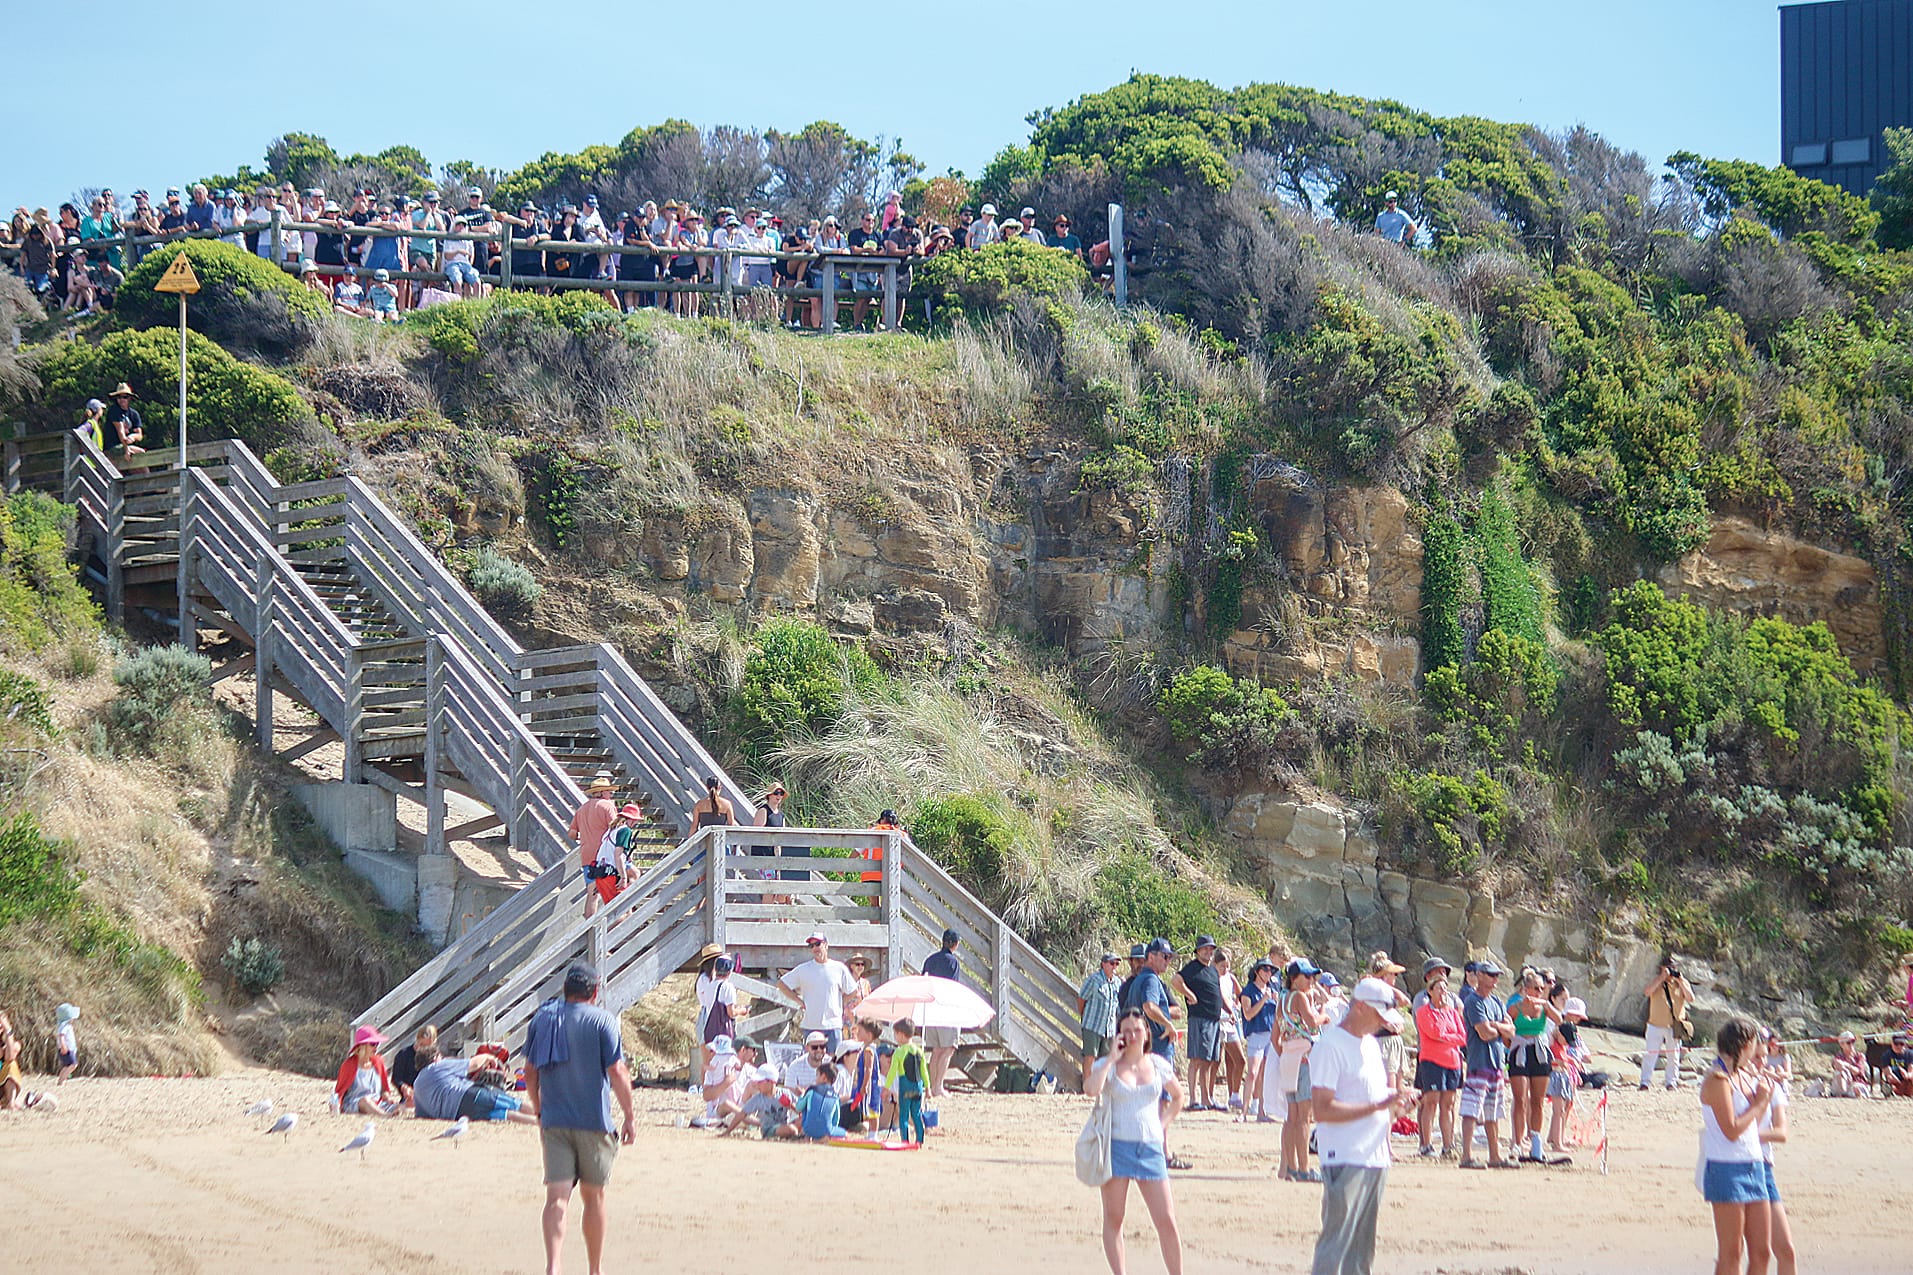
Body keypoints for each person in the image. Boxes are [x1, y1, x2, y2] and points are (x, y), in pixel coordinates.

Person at [525, 962, 637, 1275]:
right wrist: (629, 1116)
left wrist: (538, 1108)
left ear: (565, 989)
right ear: (595, 991)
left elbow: (530, 1072)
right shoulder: (602, 1020)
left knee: (556, 1198)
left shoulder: (543, 1019)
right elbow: (617, 1071)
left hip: (555, 1121)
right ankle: (595, 1269)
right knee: (594, 1196)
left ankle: (553, 1266)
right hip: (594, 1122)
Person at [1309, 978, 1418, 1275]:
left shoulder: (1370, 1044)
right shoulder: (1330, 1046)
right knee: (1336, 1242)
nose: (1382, 1023)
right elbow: (1322, 1110)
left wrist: (1399, 1106)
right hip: (1345, 1157)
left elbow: (1375, 1102)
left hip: (1376, 1157)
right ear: (1359, 1007)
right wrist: (1379, 1106)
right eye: (1378, 1015)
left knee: (1362, 1251)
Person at [1083, 1007, 1185, 1275]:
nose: (1132, 1035)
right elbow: (1090, 1089)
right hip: (1117, 1147)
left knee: (1166, 1220)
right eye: (1126, 1031)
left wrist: (1162, 1126)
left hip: (1150, 1149)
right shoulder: (1108, 1066)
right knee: (1114, 1218)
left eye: (1137, 1030)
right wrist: (1110, 1059)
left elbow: (1178, 1097)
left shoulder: (1158, 1064)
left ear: (1146, 1033)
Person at [1699, 1016, 1777, 1275]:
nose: (1756, 1052)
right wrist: (1759, 1103)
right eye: (1754, 1045)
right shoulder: (1717, 1079)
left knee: (1762, 1252)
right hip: (1726, 1168)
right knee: (1732, 1253)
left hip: (1754, 1165)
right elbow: (1731, 1130)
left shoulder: (1744, 1075)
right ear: (1744, 1046)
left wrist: (1763, 1097)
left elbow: (1754, 1119)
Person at [1459, 958, 1515, 1170]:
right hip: (1479, 1062)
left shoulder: (1496, 1002)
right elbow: (1484, 1033)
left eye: (1496, 975)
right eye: (1491, 975)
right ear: (1480, 975)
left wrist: (1495, 1026)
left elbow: (1511, 1031)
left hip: (1496, 1063)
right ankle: (1466, 1156)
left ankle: (1494, 1155)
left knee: (1493, 1111)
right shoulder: (1473, 1001)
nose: (1495, 979)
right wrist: (1500, 1028)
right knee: (1472, 1109)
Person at [1275, 957, 1326, 1181]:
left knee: (1292, 1116)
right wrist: (1324, 1014)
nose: (1311, 981)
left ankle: (1291, 1167)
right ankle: (1304, 1169)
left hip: (1288, 1058)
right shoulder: (1300, 997)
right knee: (1304, 1118)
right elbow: (1313, 1022)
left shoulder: (1282, 999)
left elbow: (1276, 1036)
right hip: (1304, 1058)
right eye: (1307, 977)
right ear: (1294, 978)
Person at [1413, 958, 1465, 1159]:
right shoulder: (1423, 1009)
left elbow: (1462, 1036)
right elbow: (1434, 1032)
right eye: (1439, 989)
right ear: (1431, 990)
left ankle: (1448, 1145)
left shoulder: (1453, 1010)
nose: (1444, 993)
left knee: (1448, 1104)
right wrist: (1447, 1035)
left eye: (1445, 988)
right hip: (1431, 1061)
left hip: (1452, 1062)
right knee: (1430, 1102)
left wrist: (1446, 1037)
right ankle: (1426, 1145)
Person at [1507, 968, 1560, 1164]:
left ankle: (1536, 1142)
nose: (1539, 992)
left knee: (1538, 1100)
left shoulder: (1544, 1007)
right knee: (1520, 1099)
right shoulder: (1516, 1007)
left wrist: (1545, 1004)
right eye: (1536, 988)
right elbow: (1507, 1029)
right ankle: (1517, 1142)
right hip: (1520, 1050)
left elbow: (1559, 1020)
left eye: (1541, 988)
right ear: (1526, 989)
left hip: (1539, 1051)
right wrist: (1511, 1044)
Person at [1757, 1028, 1796, 1275]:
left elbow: (1781, 1132)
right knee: (1753, 1253)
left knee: (1786, 1250)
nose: (1761, 1062)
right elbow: (1728, 1130)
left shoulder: (1773, 1088)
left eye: (1763, 1057)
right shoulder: (1730, 1085)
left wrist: (1745, 1136)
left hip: (1763, 1167)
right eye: (1755, 1056)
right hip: (1735, 1168)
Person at [780, 933, 858, 1052]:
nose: (815, 948)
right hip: (811, 1026)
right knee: (811, 1061)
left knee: (834, 1060)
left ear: (826, 945)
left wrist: (840, 1002)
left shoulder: (839, 968)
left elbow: (853, 991)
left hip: (833, 1025)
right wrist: (799, 1001)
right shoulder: (803, 969)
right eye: (811, 946)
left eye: (817, 944)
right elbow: (782, 984)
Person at [1172, 936, 1225, 1111]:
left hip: (1213, 1019)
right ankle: (1194, 1099)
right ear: (1198, 951)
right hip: (1198, 1018)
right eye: (1205, 949)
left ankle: (1206, 1098)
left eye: (1211, 949)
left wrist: (1228, 1010)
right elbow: (1175, 980)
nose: (1208, 952)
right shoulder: (1192, 968)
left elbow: (1217, 992)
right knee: (1196, 1059)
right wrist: (1189, 994)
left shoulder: (1212, 970)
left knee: (1208, 1060)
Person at [568, 775, 619, 918]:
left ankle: (590, 926)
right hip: (604, 855)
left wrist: (584, 836)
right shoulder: (607, 806)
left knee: (592, 894)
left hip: (587, 856)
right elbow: (616, 828)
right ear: (602, 792)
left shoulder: (582, 809)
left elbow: (572, 833)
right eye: (609, 791)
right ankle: (616, 921)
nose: (611, 794)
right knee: (611, 889)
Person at [1642, 957, 1695, 1090]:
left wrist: (1680, 981)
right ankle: (1645, 1082)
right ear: (1662, 968)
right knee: (1650, 1054)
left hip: (1674, 1026)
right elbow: (1647, 992)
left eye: (1674, 967)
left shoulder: (1681, 983)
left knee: (1673, 1056)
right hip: (1655, 1024)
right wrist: (1662, 977)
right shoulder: (1657, 981)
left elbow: (1690, 998)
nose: (1672, 970)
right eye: (1669, 968)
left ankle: (1671, 1082)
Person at [1546, 992, 1588, 1154]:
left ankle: (1555, 1138)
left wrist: (1572, 1061)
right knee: (1559, 1111)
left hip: (1563, 1075)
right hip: (1556, 1076)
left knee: (1563, 1109)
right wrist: (1560, 1062)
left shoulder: (1563, 1043)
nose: (1566, 1044)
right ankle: (1557, 1143)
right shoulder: (1552, 1039)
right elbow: (1549, 1058)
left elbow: (1565, 1056)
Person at [923, 927, 963, 1096]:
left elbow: (923, 981)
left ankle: (932, 1087)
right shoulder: (953, 962)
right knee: (948, 1048)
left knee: (936, 1049)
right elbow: (952, 987)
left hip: (931, 1008)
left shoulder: (930, 960)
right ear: (954, 944)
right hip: (947, 1009)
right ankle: (938, 1086)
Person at [1239, 958, 1280, 1123]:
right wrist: (1264, 999)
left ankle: (1261, 1111)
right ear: (1257, 971)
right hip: (1256, 1034)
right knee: (1253, 1073)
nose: (1269, 973)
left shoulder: (1272, 990)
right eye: (1265, 969)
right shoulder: (1248, 991)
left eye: (1271, 970)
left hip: (1271, 1034)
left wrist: (1277, 1001)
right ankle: (1243, 1111)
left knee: (1265, 1074)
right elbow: (1248, 1014)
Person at [1364, 952, 1410, 1088]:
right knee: (1389, 1085)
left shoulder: (1388, 994)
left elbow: (1405, 1001)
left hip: (1394, 1041)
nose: (1395, 976)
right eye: (1392, 974)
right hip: (1383, 1041)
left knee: (1398, 1086)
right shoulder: (1372, 993)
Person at [333, 1025, 399, 1116]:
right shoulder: (349, 1065)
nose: (375, 1047)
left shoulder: (378, 1062)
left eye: (377, 1044)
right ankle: (385, 1116)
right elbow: (339, 1091)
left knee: (402, 1107)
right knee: (365, 1101)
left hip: (377, 1103)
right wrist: (336, 1105)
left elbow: (384, 1090)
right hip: (355, 1103)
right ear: (362, 1046)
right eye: (372, 1044)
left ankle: (385, 1113)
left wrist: (387, 1097)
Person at [887, 1018, 930, 1144]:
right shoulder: (919, 1051)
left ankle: (905, 1141)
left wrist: (886, 1087)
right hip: (918, 1087)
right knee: (916, 1114)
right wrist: (928, 1088)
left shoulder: (899, 1052)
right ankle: (919, 1141)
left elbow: (892, 1072)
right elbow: (924, 1072)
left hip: (905, 1087)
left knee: (904, 1115)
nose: (895, 1037)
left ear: (901, 1034)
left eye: (895, 1034)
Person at [1079, 951, 1123, 1071]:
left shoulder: (1118, 983)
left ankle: (1100, 1083)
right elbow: (1082, 999)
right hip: (1093, 1026)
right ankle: (1087, 1082)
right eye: (1112, 963)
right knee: (1090, 1058)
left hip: (1109, 1030)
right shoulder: (1094, 979)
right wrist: (1084, 1016)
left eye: (1117, 964)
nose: (1114, 967)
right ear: (1103, 964)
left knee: (1105, 1062)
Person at [390, 1025, 437, 1107]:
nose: (424, 1049)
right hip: (410, 1095)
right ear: (417, 1040)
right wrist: (403, 1087)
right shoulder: (404, 1054)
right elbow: (396, 1078)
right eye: (421, 1044)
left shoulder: (435, 1057)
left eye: (428, 1046)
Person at [104, 383, 145, 456]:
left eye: (124, 397)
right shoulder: (114, 411)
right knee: (140, 452)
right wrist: (126, 449)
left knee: (141, 454)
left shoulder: (134, 414)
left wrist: (133, 437)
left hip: (127, 446)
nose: (121, 399)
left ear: (129, 398)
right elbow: (121, 432)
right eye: (119, 397)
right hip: (113, 447)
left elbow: (140, 435)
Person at [1829, 1030, 1869, 1098]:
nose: (1851, 1045)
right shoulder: (1838, 1057)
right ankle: (1843, 1092)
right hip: (1844, 1082)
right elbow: (1836, 1065)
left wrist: (1846, 1065)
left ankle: (1847, 1093)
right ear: (1841, 1045)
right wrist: (1845, 1070)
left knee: (1857, 1087)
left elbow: (1857, 1071)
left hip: (1857, 1082)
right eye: (1848, 1043)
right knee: (1839, 1072)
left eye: (1853, 1042)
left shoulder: (1860, 1056)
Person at [53, 1003, 79, 1083]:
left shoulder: (67, 1026)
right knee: (73, 1065)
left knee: (67, 1066)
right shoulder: (64, 1026)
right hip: (66, 1049)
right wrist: (63, 1046)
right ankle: (62, 1080)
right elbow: (61, 1036)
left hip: (69, 1049)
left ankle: (60, 1080)